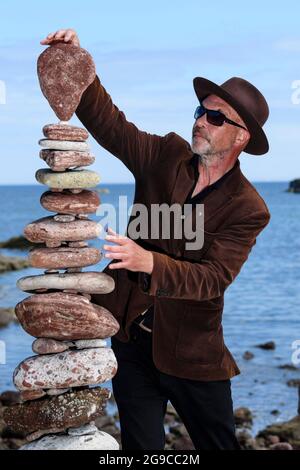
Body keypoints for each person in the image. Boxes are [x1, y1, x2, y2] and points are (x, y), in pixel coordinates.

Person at [41, 29, 271, 450]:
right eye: (201, 110)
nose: (201, 120)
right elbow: (114, 127)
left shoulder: (248, 207)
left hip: (194, 355)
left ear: (241, 138)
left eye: (216, 117)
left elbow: (213, 278)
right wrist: (80, 66)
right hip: (130, 343)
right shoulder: (165, 155)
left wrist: (147, 261)